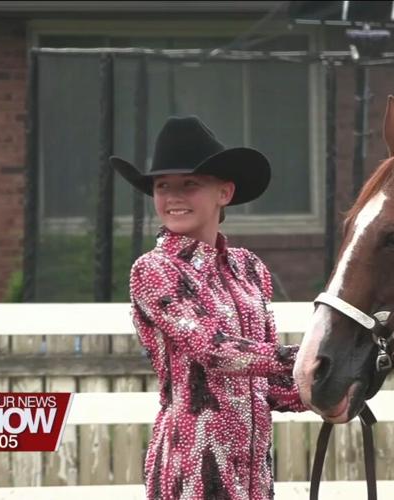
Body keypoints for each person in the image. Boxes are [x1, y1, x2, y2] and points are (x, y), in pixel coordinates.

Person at [111, 116, 307, 500]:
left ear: (225, 193)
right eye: (162, 186)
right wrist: (311, 359)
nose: (173, 197)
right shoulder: (154, 270)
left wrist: (331, 386)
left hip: (254, 477)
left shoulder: (249, 268)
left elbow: (269, 385)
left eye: (190, 184)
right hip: (190, 472)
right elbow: (214, 350)